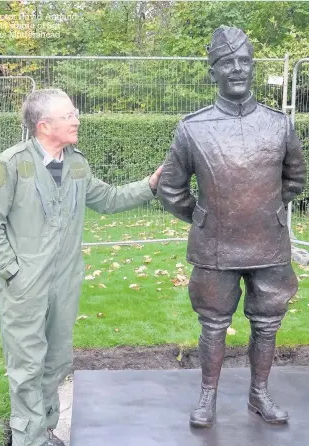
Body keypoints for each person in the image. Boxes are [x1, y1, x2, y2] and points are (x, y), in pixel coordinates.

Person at [0, 88, 162, 446]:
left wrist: (149, 185)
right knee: (27, 364)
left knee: (57, 361)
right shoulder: (11, 165)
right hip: (23, 286)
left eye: (75, 114)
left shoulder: (76, 163)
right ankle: (27, 439)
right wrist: (13, 271)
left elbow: (106, 199)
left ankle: (43, 429)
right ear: (44, 126)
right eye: (69, 115)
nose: (77, 120)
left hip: (65, 282)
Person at [157, 26, 306, 428]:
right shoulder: (193, 128)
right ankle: (208, 396)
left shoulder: (280, 125)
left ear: (253, 68)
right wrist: (205, 217)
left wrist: (264, 211)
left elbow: (294, 180)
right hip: (215, 246)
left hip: (268, 245)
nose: (237, 69)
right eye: (227, 63)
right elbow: (171, 189)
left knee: (267, 321)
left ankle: (259, 393)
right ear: (213, 72)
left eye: (244, 62)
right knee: (213, 322)